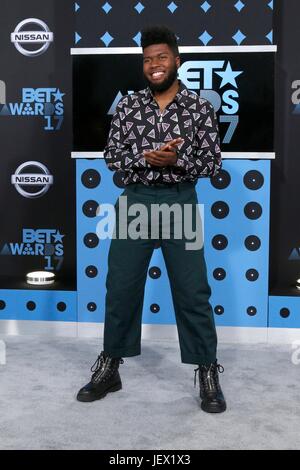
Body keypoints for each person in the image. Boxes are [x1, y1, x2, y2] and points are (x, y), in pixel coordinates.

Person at [77, 25, 226, 413]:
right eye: (147, 59)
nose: (154, 65)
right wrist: (145, 158)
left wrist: (179, 160)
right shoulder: (128, 107)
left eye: (161, 57)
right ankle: (111, 366)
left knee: (193, 292)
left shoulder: (200, 108)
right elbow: (112, 158)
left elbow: (212, 164)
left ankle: (207, 371)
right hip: (136, 203)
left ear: (177, 61)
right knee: (121, 288)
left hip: (181, 203)